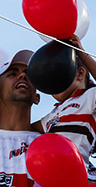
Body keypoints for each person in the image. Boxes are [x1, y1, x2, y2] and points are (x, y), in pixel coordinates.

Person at [32, 35, 96, 182]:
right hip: (52, 174)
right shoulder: (53, 113)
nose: (53, 87)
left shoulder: (89, 98)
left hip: (77, 172)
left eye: (58, 77)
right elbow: (26, 129)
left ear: (80, 73)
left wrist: (82, 53)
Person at [0, 50, 40, 187]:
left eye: (30, 74)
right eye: (12, 73)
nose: (23, 75)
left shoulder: (54, 143)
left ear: (37, 97)